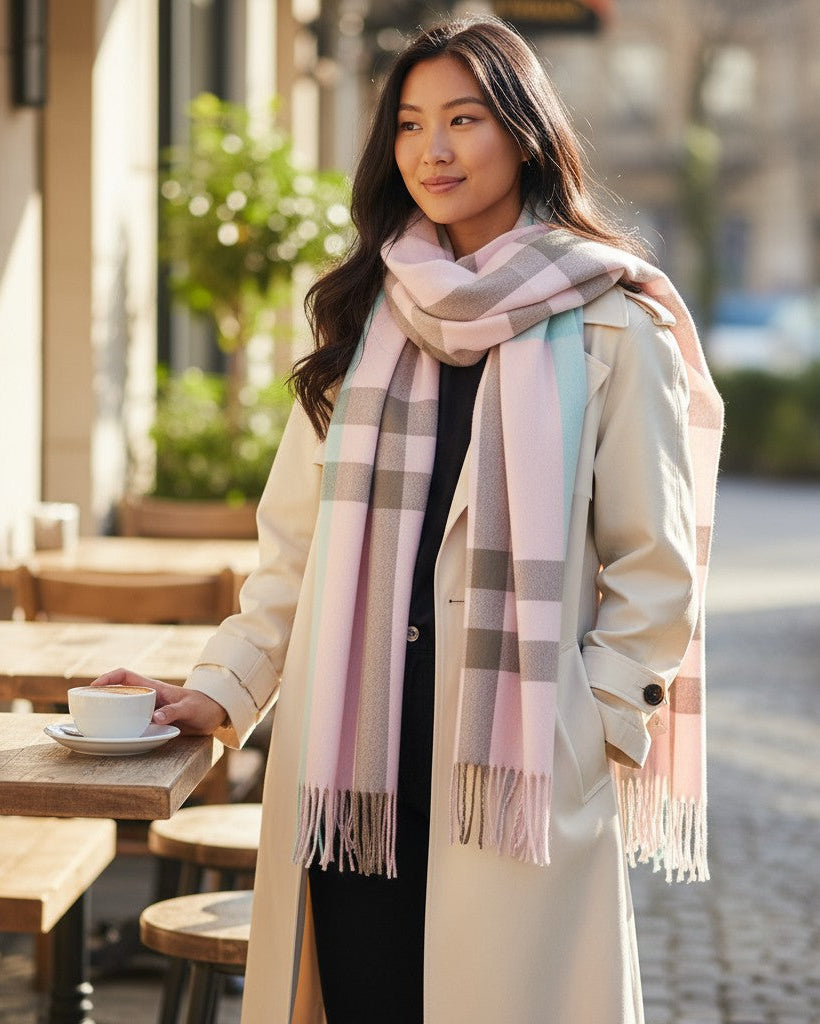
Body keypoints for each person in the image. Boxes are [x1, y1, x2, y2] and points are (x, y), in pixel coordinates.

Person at [96, 17, 722, 1024]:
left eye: (463, 119)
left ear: (523, 134)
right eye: (410, 124)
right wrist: (219, 690)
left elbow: (655, 568)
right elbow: (292, 554)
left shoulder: (613, 323)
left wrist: (590, 722)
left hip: (511, 765)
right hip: (356, 766)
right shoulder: (366, 318)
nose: (433, 149)